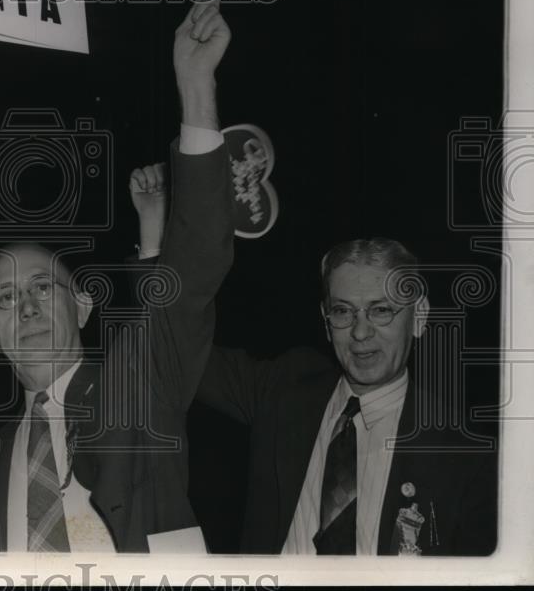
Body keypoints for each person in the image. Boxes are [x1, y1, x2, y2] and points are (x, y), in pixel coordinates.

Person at [0, 0, 235, 552]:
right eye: (4, 297)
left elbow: (194, 269)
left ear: (85, 305)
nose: (25, 307)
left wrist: (194, 85)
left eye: (44, 286)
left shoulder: (139, 387)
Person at [134, 203, 497, 554]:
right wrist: (154, 236)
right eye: (343, 311)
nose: (360, 332)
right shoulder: (284, 387)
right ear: (325, 319)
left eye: (381, 311)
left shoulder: (464, 454)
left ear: (419, 317)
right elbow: (175, 354)